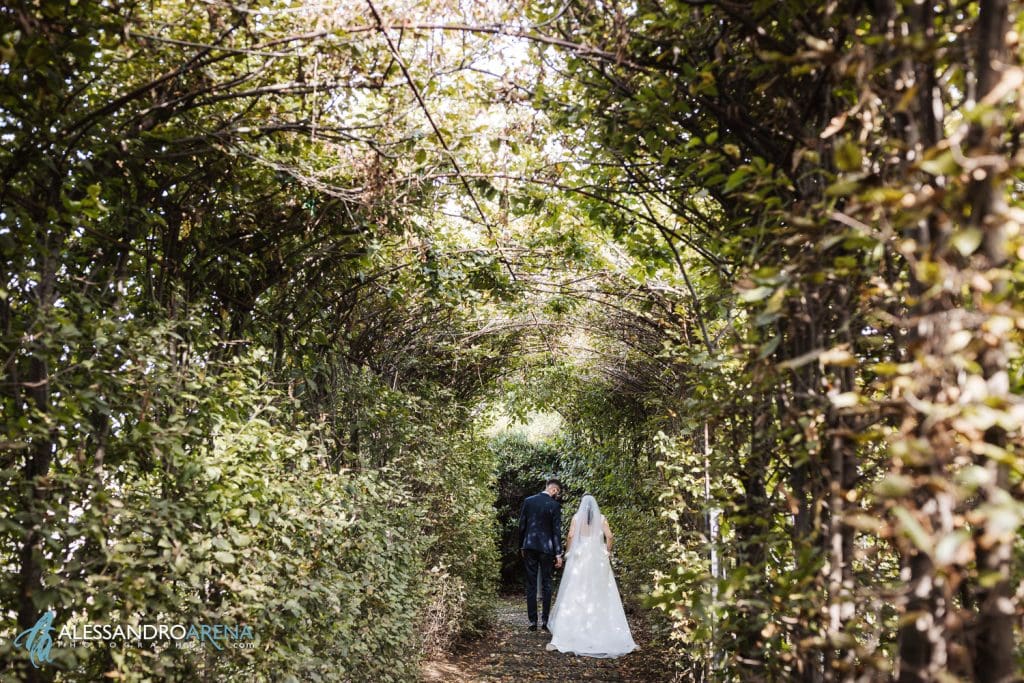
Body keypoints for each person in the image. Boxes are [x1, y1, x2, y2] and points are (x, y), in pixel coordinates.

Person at [545, 494, 637, 658]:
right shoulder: (601, 519)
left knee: (576, 592)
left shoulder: (576, 518)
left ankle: (569, 634)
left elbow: (571, 536)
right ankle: (606, 632)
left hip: (581, 558)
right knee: (602, 594)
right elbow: (610, 536)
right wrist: (607, 552)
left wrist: (569, 552)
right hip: (597, 558)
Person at [518, 478, 563, 631]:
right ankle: (545, 621)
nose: (557, 496)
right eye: (558, 492)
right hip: (547, 549)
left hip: (529, 546)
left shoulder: (528, 501)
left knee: (531, 583)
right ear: (554, 490)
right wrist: (558, 553)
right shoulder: (555, 506)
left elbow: (522, 525)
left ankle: (532, 621)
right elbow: (556, 531)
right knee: (547, 583)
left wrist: (521, 546)